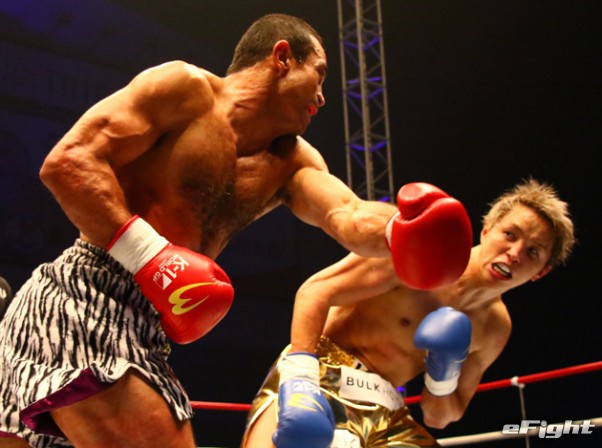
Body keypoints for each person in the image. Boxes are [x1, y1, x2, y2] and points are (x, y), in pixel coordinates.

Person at [0, 13, 472, 448]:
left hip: (143, 324)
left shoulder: (291, 161)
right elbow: (69, 162)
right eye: (320, 74)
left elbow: (345, 214)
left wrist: (402, 229)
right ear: (282, 57)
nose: (323, 97)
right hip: (87, 298)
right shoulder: (184, 91)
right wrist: (149, 256)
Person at [242, 178, 576, 448]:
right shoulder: (422, 251)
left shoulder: (494, 327)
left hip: (387, 406)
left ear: (541, 272)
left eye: (533, 251)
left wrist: (443, 376)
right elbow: (316, 290)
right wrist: (300, 378)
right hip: (323, 371)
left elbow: (440, 417)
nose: (515, 253)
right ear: (487, 228)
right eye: (510, 234)